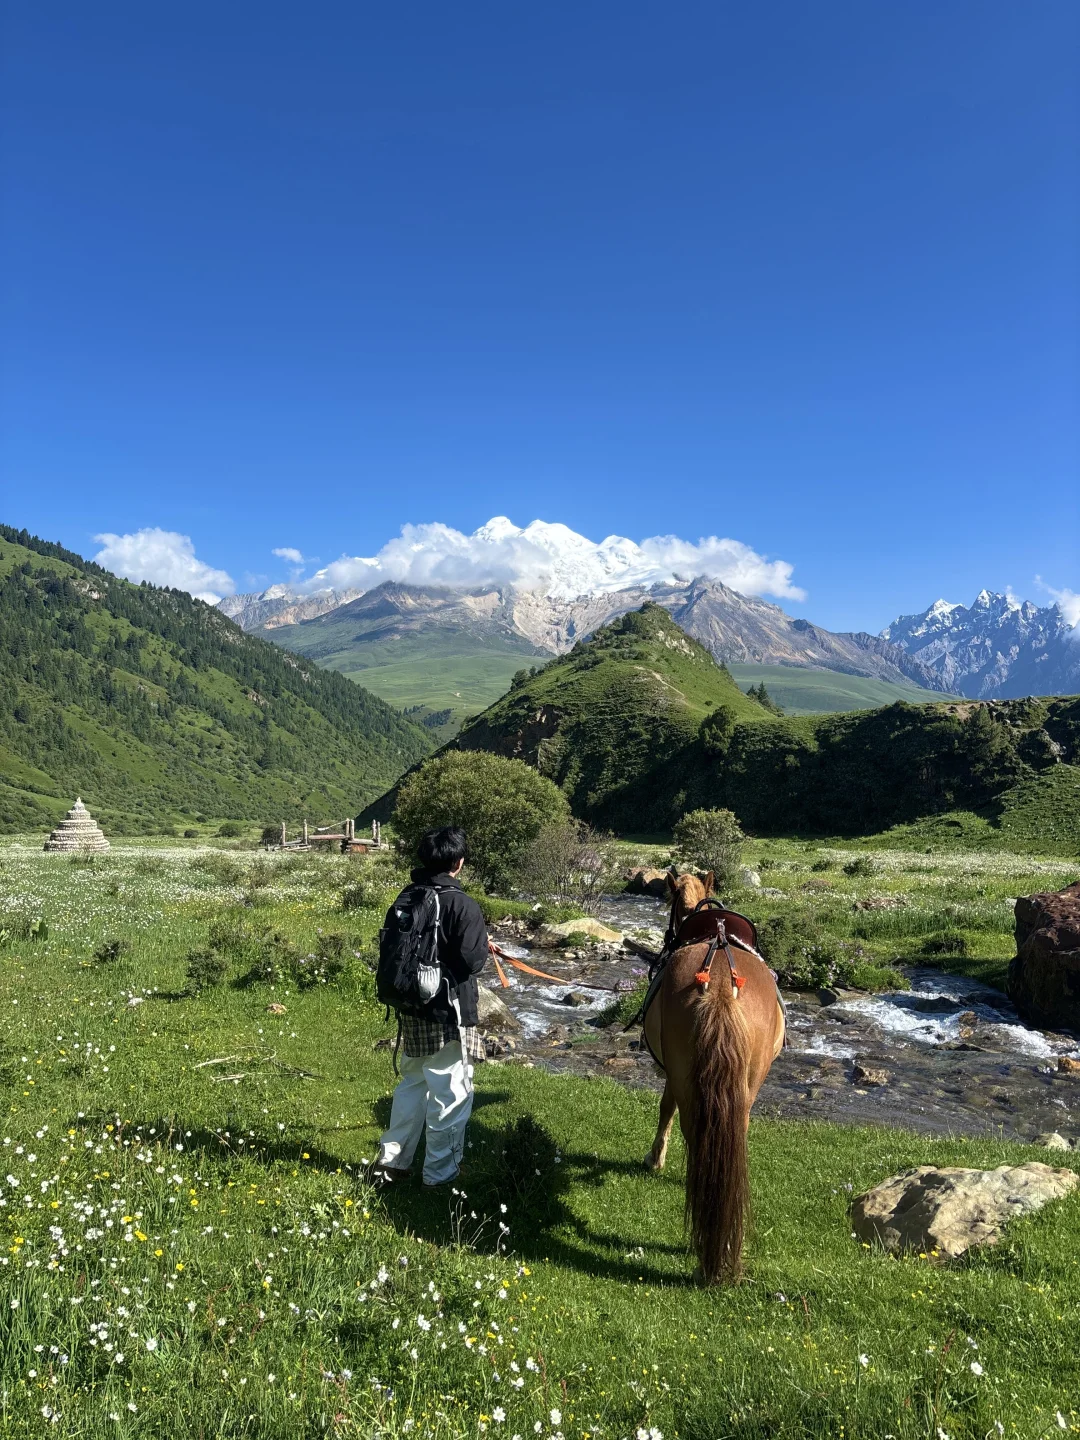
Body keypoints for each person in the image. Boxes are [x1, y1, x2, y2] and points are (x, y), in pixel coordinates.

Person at [373, 825, 491, 1187]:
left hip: (411, 1006)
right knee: (450, 1094)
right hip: (448, 1014)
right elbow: (472, 961)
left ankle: (391, 1163)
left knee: (412, 1085)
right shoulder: (463, 904)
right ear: (458, 862)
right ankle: (440, 1176)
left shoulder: (407, 897)